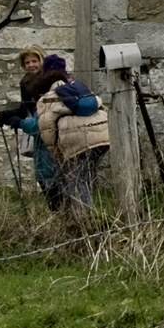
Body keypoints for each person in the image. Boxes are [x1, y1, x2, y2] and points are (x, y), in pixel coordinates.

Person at [33, 55, 114, 212]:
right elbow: (100, 105)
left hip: (75, 142)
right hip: (102, 137)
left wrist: (56, 154)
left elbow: (47, 129)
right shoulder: (80, 88)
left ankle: (84, 219)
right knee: (86, 177)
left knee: (77, 181)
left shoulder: (49, 97)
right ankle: (83, 216)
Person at [4, 52, 66, 208]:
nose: (31, 65)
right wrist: (10, 116)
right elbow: (27, 110)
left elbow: (43, 122)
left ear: (42, 62)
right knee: (48, 184)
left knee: (54, 187)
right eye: (27, 62)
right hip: (42, 143)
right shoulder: (26, 84)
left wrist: (20, 123)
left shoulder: (51, 88)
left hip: (51, 143)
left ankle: (64, 219)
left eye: (34, 61)